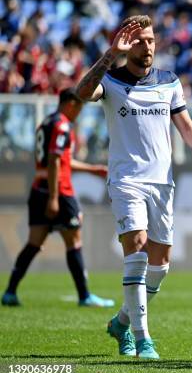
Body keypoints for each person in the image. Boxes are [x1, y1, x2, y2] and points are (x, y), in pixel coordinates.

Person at [75, 15, 192, 360]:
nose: (147, 46)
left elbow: (187, 130)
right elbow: (82, 93)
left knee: (161, 264)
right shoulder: (110, 79)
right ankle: (142, 339)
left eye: (151, 40)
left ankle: (122, 321)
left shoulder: (169, 81)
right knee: (138, 248)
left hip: (162, 182)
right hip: (127, 180)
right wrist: (110, 55)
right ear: (127, 44)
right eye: (140, 40)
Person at [2, 88, 113, 308]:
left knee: (34, 242)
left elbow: (61, 160)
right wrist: (54, 197)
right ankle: (84, 296)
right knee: (74, 240)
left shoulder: (47, 123)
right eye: (79, 106)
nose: (79, 112)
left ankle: (10, 292)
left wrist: (92, 169)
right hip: (59, 191)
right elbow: (54, 161)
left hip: (38, 188)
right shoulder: (62, 125)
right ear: (71, 103)